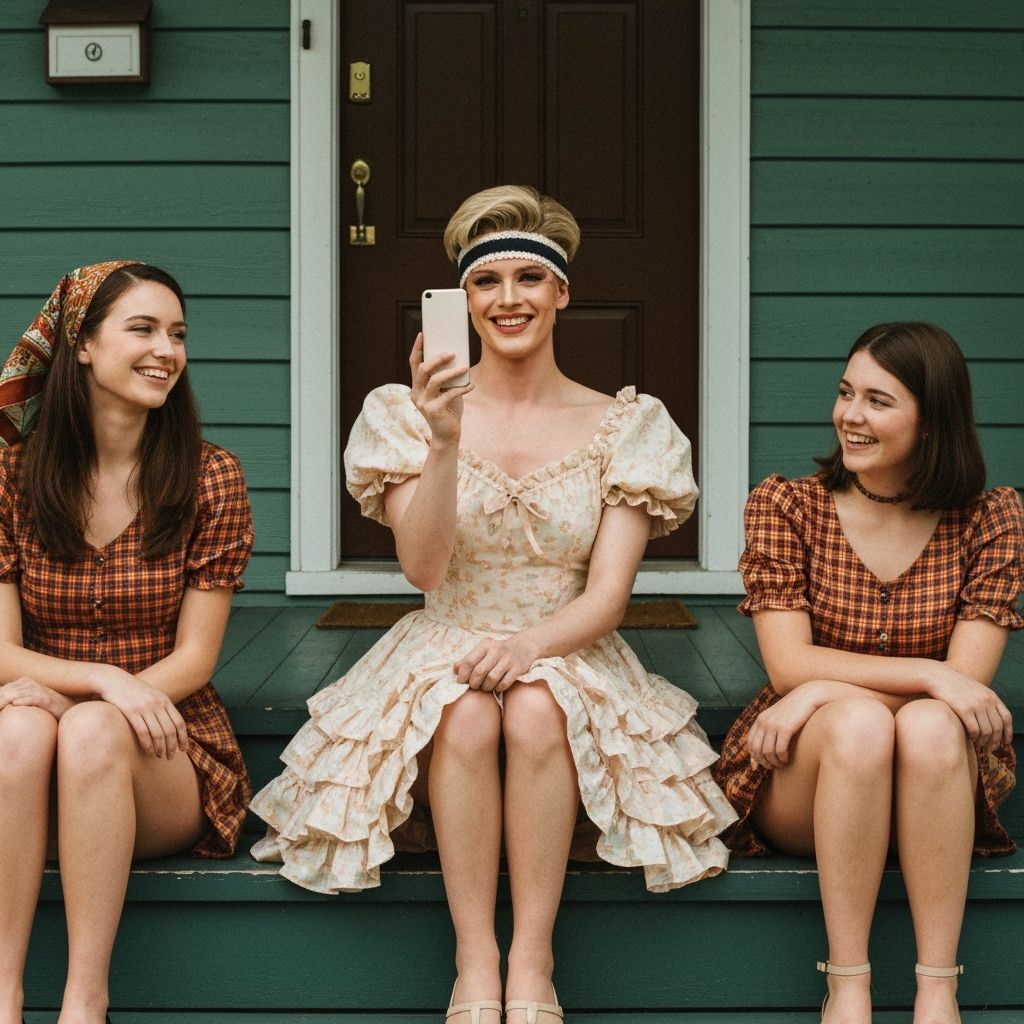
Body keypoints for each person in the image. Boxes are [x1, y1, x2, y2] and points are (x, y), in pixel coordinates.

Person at [251, 185, 736, 1022]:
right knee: (468, 716)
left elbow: (610, 597)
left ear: (562, 293)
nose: (508, 299)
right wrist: (443, 441)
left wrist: (529, 647)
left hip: (569, 639)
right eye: (486, 283)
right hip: (448, 632)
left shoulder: (627, 424)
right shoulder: (404, 416)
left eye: (528, 279)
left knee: (540, 709)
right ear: (462, 301)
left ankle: (534, 959)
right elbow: (425, 568)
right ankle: (475, 958)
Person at [713, 322, 1021, 1024]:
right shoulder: (788, 506)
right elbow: (788, 665)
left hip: (931, 775)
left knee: (934, 724)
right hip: (809, 768)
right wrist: (899, 677)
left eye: (878, 401)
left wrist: (821, 684)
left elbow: (966, 690)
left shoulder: (990, 519)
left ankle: (936, 988)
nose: (850, 415)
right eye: (846, 393)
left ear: (932, 418)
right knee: (858, 725)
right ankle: (847, 984)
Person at [0, 261, 254, 1024]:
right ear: (80, 345)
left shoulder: (211, 478)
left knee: (87, 728)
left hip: (164, 751)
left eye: (177, 334)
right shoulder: (10, 475)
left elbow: (194, 660)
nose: (166, 350)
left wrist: (101, 694)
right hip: (38, 740)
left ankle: (85, 1000)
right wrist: (103, 680)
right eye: (142, 329)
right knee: (17, 730)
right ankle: (4, 994)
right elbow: (2, 655)